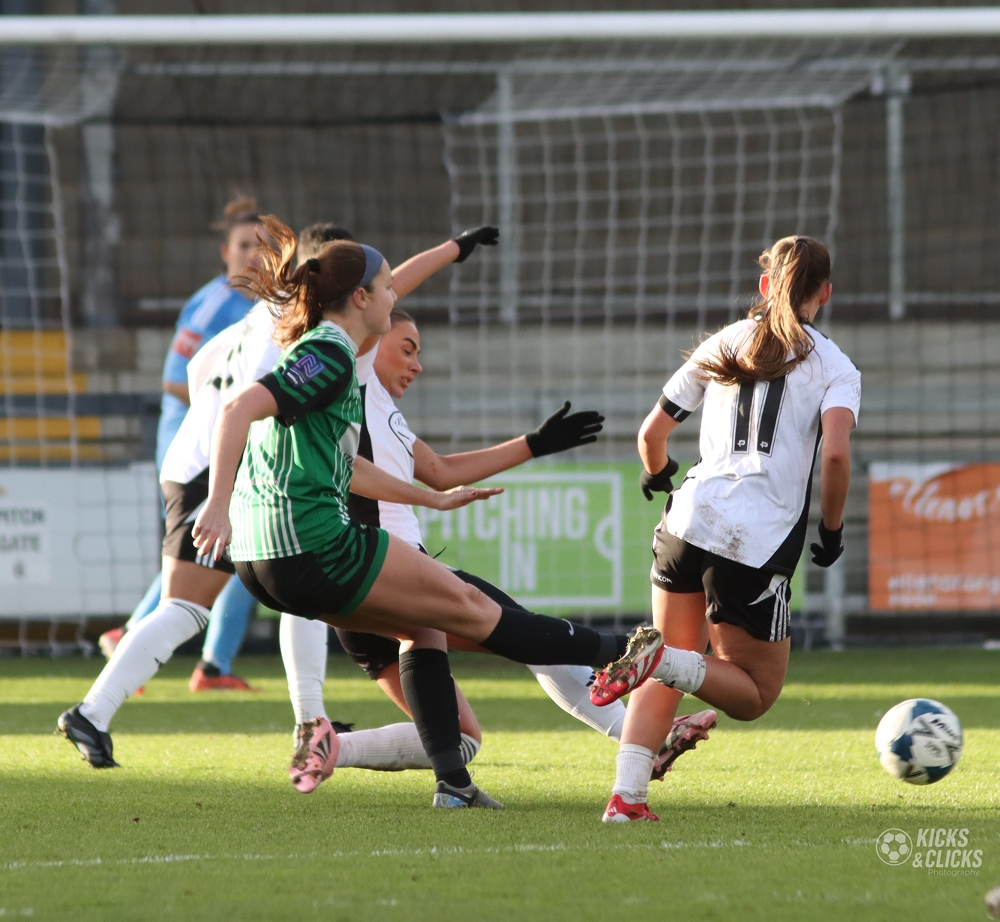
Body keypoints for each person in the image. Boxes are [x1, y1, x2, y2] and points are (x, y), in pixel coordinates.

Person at [191, 216, 659, 809]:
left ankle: (453, 785)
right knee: (478, 611)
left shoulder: (340, 366)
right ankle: (625, 651)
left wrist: (435, 497)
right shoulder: (332, 354)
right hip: (310, 546)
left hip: (265, 559)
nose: (395, 295)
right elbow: (237, 410)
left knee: (430, 634)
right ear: (361, 298)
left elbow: (353, 467)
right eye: (386, 287)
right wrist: (217, 505)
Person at [55, 222, 505, 771]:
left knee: (277, 590)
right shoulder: (312, 321)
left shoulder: (264, 314)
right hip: (222, 467)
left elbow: (200, 371)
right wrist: (452, 249)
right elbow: (393, 288)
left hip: (195, 458)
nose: (380, 290)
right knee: (210, 601)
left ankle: (303, 720)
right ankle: (96, 711)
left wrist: (453, 248)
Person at [282, 306, 716, 790]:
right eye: (407, 349)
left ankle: (333, 747)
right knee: (533, 639)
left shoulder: (382, 410)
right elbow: (374, 292)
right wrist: (437, 262)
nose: (417, 365)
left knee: (462, 737)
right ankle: (641, 726)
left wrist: (535, 444)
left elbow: (441, 471)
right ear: (373, 335)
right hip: (392, 572)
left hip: (366, 599)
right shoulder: (353, 383)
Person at [593, 235, 861, 822]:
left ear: (765, 285)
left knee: (674, 656)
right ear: (824, 294)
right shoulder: (835, 366)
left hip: (686, 518)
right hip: (754, 540)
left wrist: (656, 472)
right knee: (754, 694)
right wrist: (833, 529)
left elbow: (651, 435)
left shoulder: (725, 341)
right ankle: (658, 664)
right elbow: (837, 455)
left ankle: (626, 798)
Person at [99, 195, 268, 692]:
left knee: (239, 546)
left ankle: (213, 665)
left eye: (262, 246)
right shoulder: (215, 303)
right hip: (192, 446)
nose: (253, 255)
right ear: (225, 252)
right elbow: (175, 379)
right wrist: (233, 409)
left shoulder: (264, 307)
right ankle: (136, 635)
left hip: (227, 442)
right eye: (244, 246)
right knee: (215, 546)